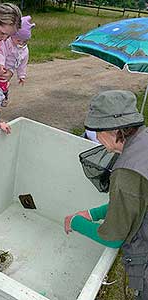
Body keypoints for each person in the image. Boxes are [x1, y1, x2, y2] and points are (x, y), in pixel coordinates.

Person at [64, 90, 148, 299]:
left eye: (97, 132)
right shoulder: (143, 140)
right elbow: (134, 201)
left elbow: (113, 237)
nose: (97, 138)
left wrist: (75, 222)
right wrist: (93, 213)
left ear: (113, 131)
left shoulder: (127, 171)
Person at [0, 15, 35, 107]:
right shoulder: (6, 43)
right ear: (12, 36)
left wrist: (21, 75)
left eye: (24, 41)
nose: (21, 43)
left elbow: (23, 64)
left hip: (11, 68)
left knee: (3, 83)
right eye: (18, 40)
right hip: (1, 65)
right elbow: (1, 53)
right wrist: (1, 65)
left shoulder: (25, 50)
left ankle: (4, 95)